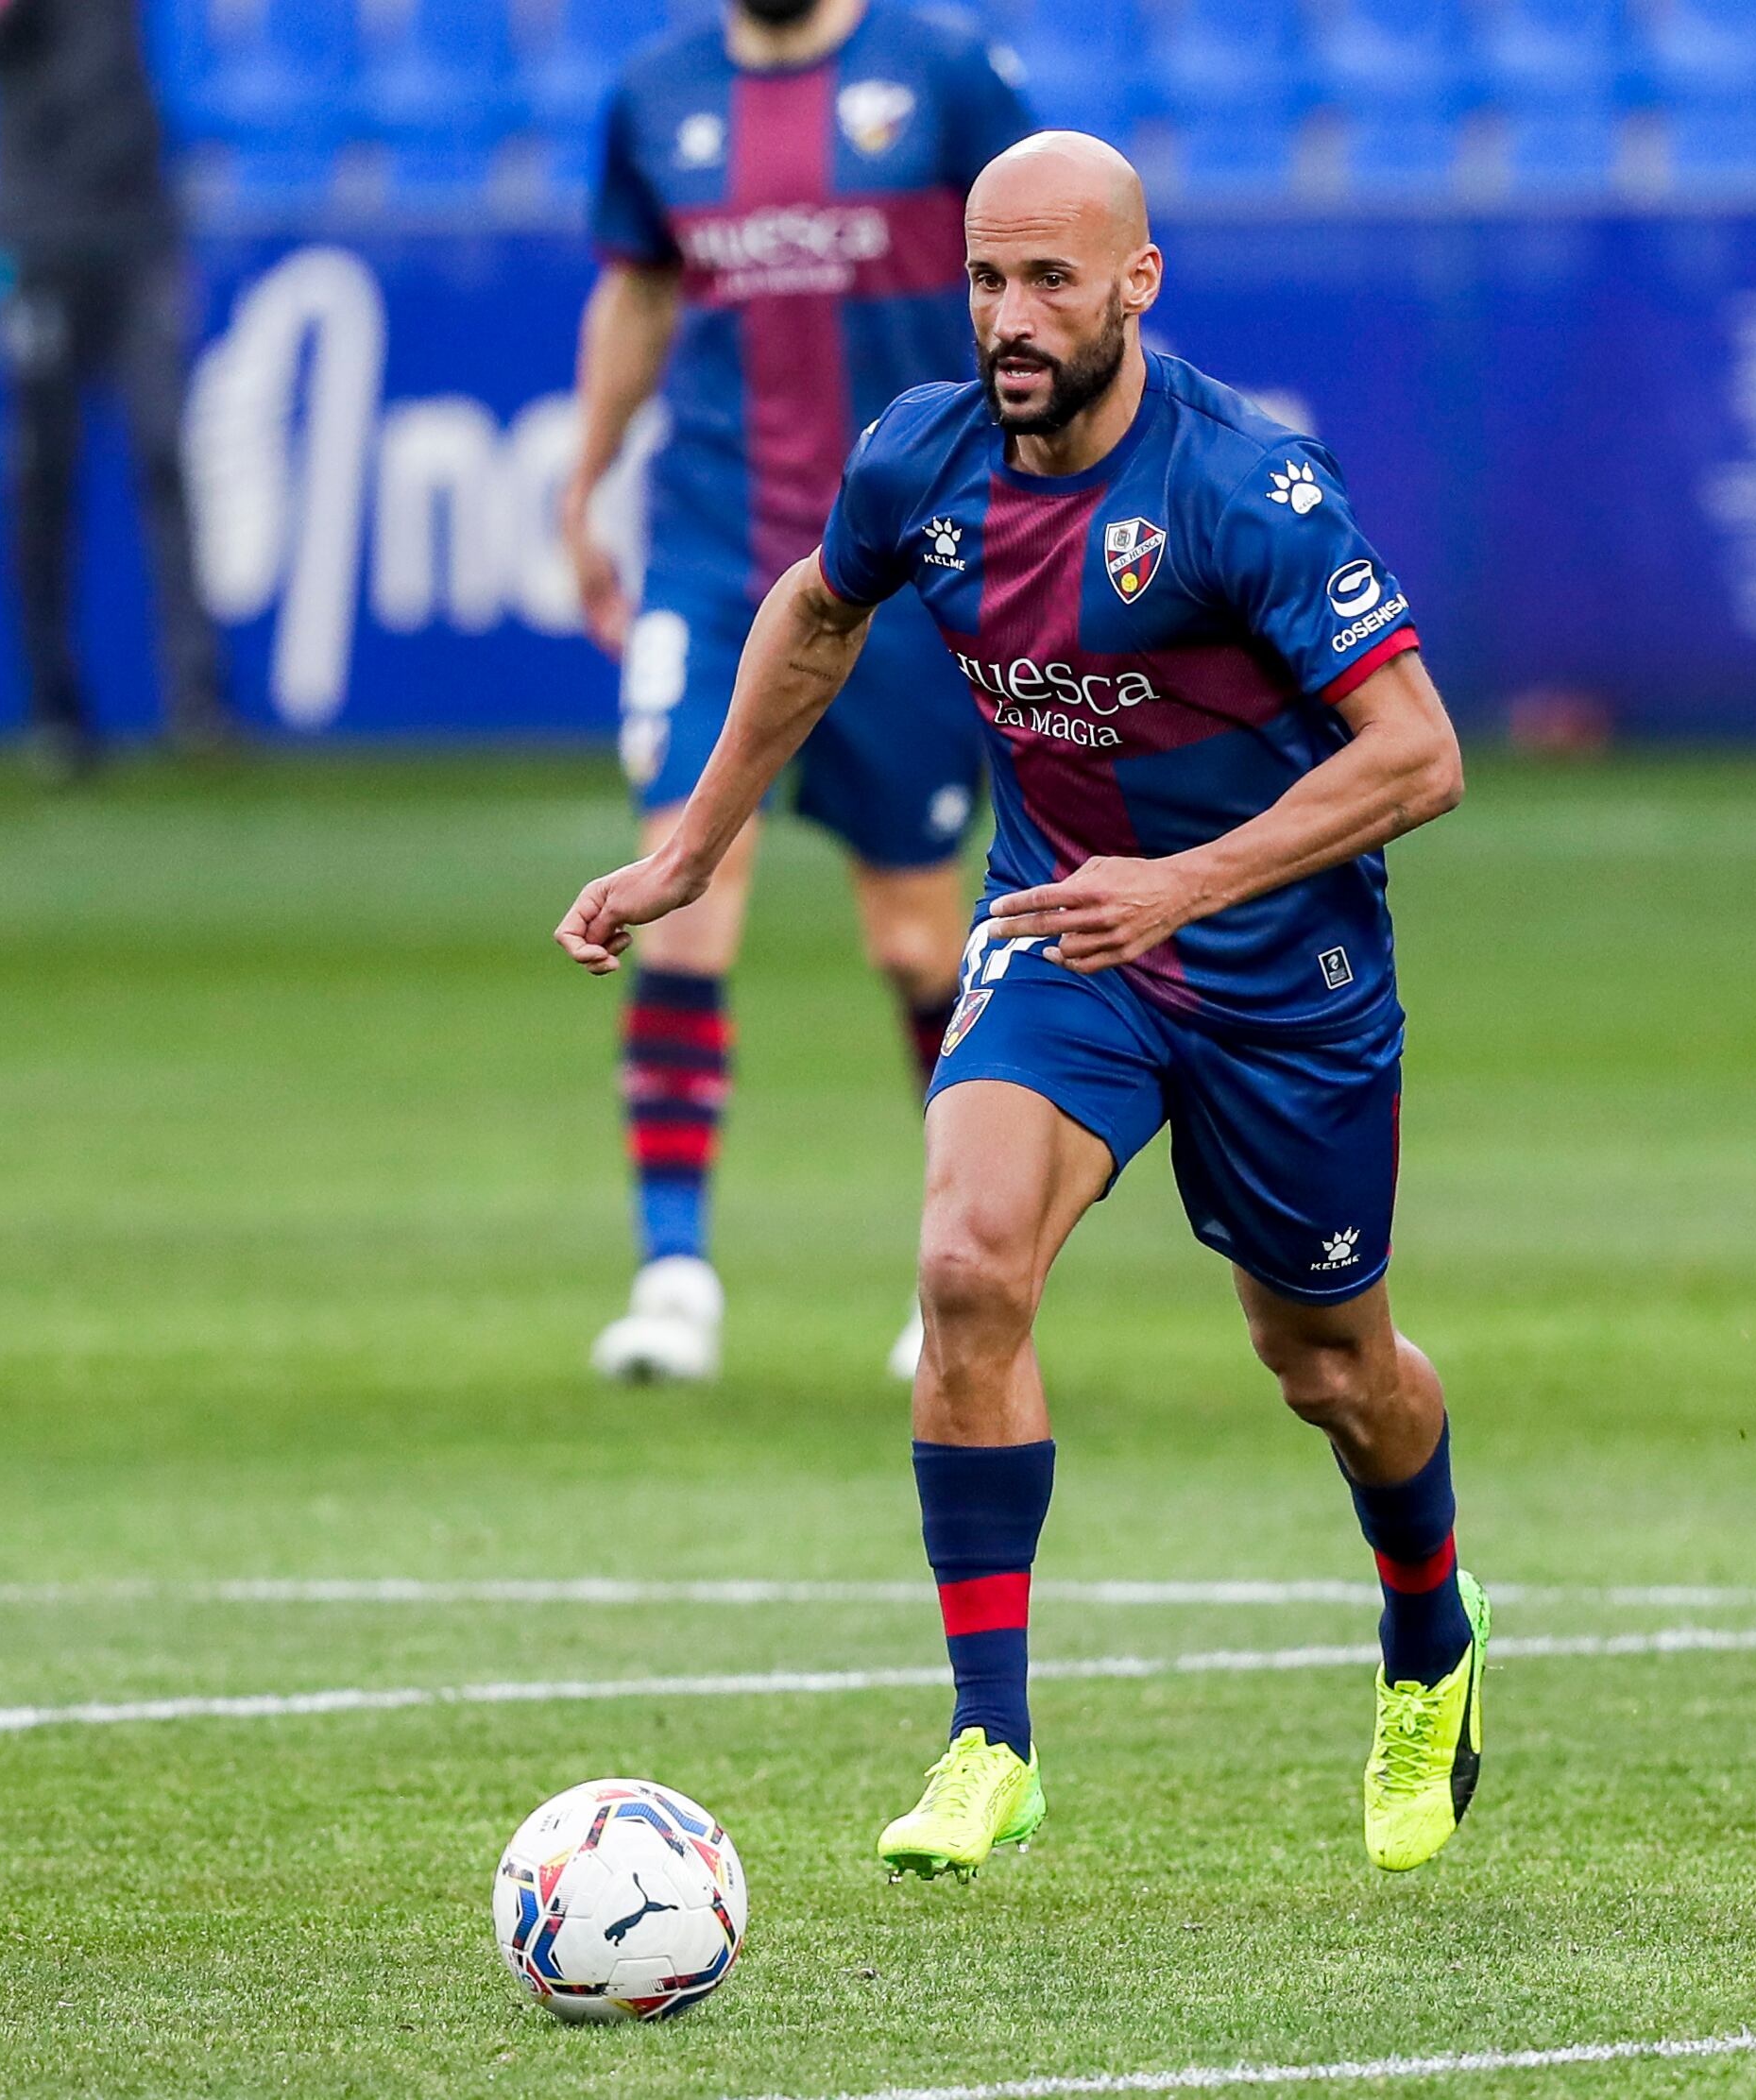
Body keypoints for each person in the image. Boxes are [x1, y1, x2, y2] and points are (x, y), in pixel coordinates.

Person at [556, 133, 1486, 1879]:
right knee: (969, 1263)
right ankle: (992, 1733)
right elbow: (814, 615)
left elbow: (1421, 755)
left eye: (1051, 278)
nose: (1010, 315)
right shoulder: (924, 455)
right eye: (987, 278)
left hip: (1282, 975)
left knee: (1332, 1365)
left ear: (1137, 283)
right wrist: (694, 847)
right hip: (1064, 931)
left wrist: (1189, 883)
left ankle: (1431, 1636)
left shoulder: (1246, 490)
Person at [561, 0, 1035, 1386]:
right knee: (683, 887)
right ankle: (671, 1273)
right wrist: (584, 482)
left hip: (903, 557)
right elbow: (639, 292)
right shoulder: (653, 94)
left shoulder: (939, 76)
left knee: (911, 935)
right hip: (713, 554)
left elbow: (1045, 281)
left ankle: (962, 1254)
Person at [0, 0, 234, 782]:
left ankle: (196, 701)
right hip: (36, 232)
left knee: (165, 455)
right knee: (40, 473)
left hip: (136, 227)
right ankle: (54, 707)